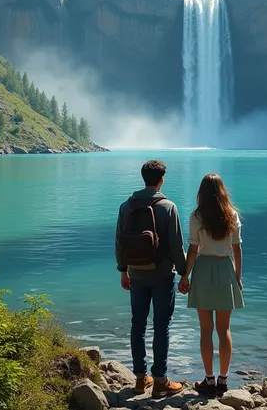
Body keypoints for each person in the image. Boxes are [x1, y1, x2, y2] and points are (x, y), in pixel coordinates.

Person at [115, 160, 186, 399]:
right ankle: (160, 381)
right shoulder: (168, 207)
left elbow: (119, 242)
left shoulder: (126, 206)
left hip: (135, 273)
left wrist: (123, 271)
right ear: (161, 180)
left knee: (138, 324)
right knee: (161, 326)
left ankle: (138, 379)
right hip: (163, 275)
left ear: (143, 177)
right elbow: (177, 246)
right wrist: (185, 272)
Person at [178, 173, 244, 397]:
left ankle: (209, 379)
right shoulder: (232, 215)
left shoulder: (196, 216)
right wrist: (238, 277)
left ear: (201, 193)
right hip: (226, 269)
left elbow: (193, 250)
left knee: (206, 329)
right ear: (223, 191)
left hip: (204, 270)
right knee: (224, 329)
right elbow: (237, 249)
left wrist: (185, 276)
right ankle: (224, 381)